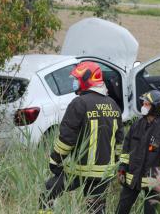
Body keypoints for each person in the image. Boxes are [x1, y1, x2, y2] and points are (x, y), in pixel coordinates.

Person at [39, 61, 124, 214]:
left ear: (87, 80)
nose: (74, 82)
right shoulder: (113, 105)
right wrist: (115, 161)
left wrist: (55, 160)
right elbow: (119, 141)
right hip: (104, 172)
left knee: (47, 194)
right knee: (95, 208)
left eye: (76, 79)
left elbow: (66, 138)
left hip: (79, 169)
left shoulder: (79, 103)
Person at [116, 90, 160, 214]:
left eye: (147, 104)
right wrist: (122, 168)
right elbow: (126, 149)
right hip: (132, 177)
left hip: (152, 181)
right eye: (143, 103)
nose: (143, 106)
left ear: (156, 107)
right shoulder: (136, 125)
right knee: (122, 208)